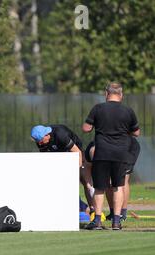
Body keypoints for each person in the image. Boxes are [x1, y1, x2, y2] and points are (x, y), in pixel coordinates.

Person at [82, 82, 140, 230]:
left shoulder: (98, 109)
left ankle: (97, 221)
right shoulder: (128, 111)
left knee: (100, 187)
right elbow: (136, 132)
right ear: (121, 94)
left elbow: (86, 128)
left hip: (102, 153)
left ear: (106, 94)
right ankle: (116, 221)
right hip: (121, 153)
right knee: (118, 186)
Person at [30, 124, 95, 212]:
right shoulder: (40, 141)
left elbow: (77, 152)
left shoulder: (60, 134)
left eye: (41, 141)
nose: (39, 144)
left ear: (47, 135)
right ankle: (79, 207)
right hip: (60, 157)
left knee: (86, 183)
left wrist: (77, 171)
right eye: (38, 142)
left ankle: (94, 210)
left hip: (77, 154)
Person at [84, 137, 141, 223]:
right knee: (106, 183)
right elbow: (87, 169)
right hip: (112, 148)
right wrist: (88, 184)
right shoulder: (89, 151)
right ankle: (112, 213)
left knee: (121, 180)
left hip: (127, 148)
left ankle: (122, 214)